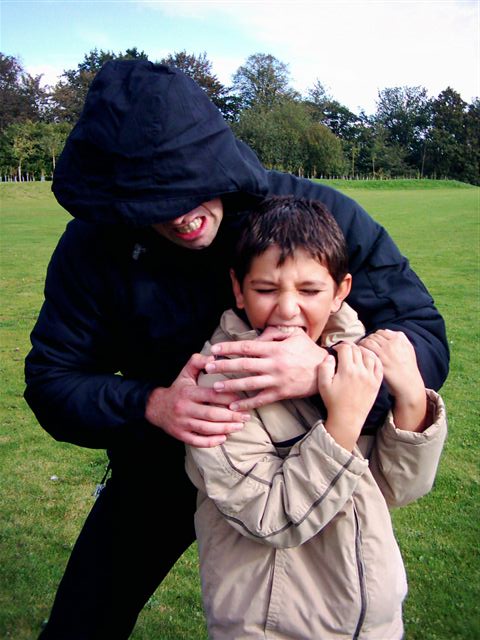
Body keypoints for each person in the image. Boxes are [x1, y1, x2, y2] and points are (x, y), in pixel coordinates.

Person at [23, 59, 449, 639]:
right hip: (161, 463)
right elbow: (52, 378)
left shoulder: (311, 215)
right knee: (83, 622)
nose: (178, 215)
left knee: (296, 616)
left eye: (183, 185)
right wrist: (151, 405)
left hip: (304, 457)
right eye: (150, 202)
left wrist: (324, 372)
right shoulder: (96, 245)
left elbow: (421, 334)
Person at [185, 196, 448, 639]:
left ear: (341, 290)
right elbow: (270, 518)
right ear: (238, 288)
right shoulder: (220, 386)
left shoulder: (354, 357)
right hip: (269, 626)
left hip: (372, 620)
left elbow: (395, 489)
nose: (287, 309)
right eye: (266, 290)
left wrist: (409, 403)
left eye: (309, 291)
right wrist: (343, 421)